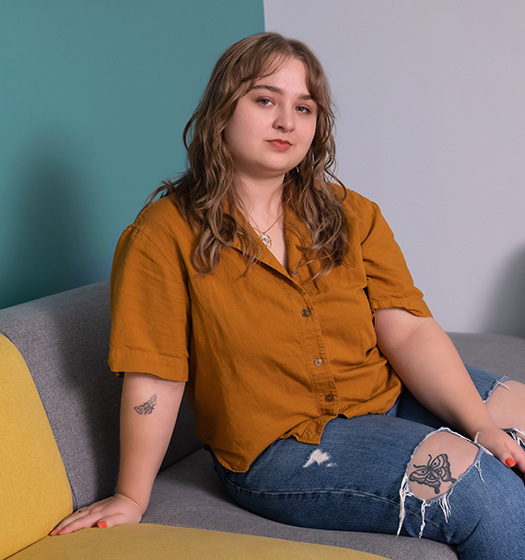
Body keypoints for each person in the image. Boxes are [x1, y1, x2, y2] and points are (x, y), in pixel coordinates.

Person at [51, 32, 525, 558]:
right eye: (265, 100)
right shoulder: (162, 235)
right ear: (221, 111)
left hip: (383, 397)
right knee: (486, 493)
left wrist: (480, 425)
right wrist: (130, 496)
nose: (287, 122)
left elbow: (407, 328)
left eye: (304, 107)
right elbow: (156, 375)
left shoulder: (352, 213)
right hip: (282, 448)